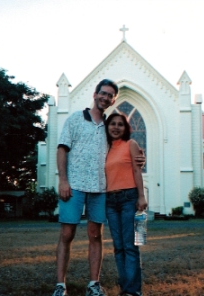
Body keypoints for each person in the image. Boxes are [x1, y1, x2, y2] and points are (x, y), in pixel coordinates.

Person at [53, 79, 144, 296]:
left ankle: (94, 284)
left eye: (109, 95)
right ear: (95, 94)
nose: (105, 97)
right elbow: (62, 149)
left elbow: (124, 149)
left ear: (113, 100)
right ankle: (60, 285)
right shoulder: (75, 119)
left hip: (100, 190)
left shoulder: (108, 126)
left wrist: (141, 157)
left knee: (96, 236)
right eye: (102, 93)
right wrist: (63, 180)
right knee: (67, 234)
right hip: (73, 187)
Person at [104, 113, 147, 296]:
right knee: (118, 247)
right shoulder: (105, 148)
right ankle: (125, 288)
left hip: (129, 198)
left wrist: (141, 196)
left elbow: (137, 170)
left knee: (130, 246)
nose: (116, 127)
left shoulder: (131, 145)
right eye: (112, 124)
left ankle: (132, 291)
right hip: (110, 201)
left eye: (120, 124)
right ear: (107, 127)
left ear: (125, 128)